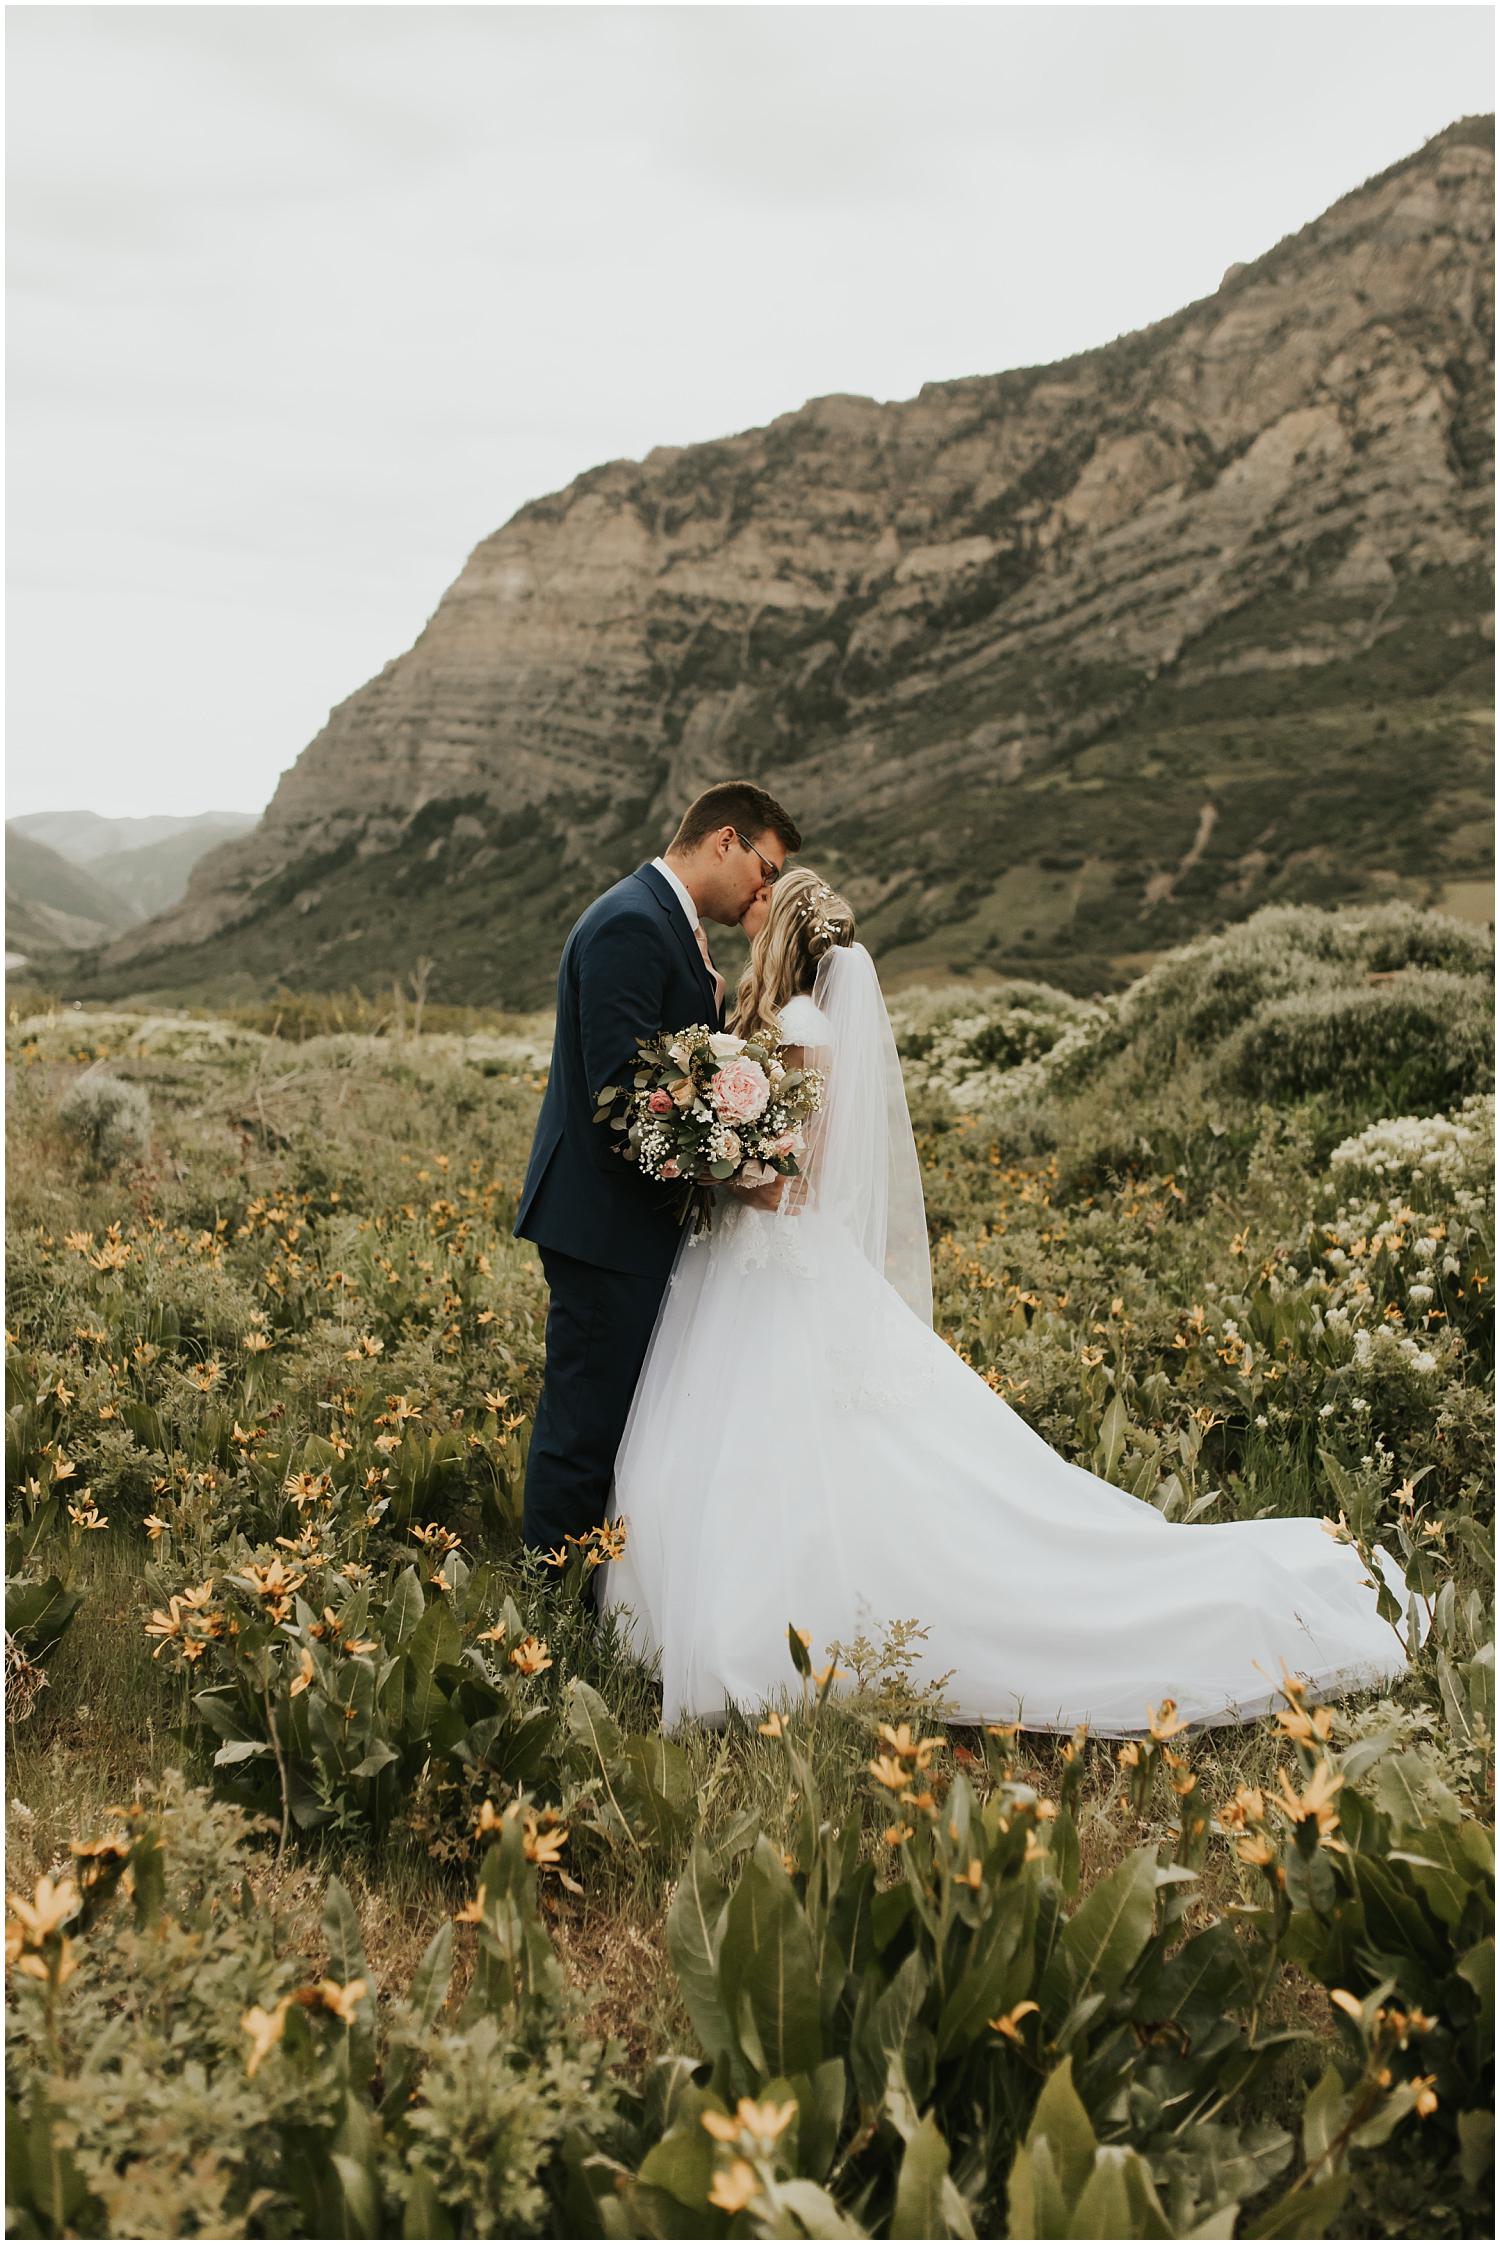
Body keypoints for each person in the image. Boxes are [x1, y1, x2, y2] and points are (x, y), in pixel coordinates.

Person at [600, 868, 1412, 1735]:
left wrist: (726, 1168)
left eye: (766, 900)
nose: (751, 907)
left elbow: (800, 1174)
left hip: (775, 1258)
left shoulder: (801, 1025)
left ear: (786, 928)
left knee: (785, 1447)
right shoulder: (778, 1018)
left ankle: (764, 1637)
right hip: (753, 1264)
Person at [515, 780, 801, 1556]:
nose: (764, 890)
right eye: (766, 869)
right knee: (583, 1429)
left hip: (632, 1226)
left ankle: (587, 1586)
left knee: (618, 1423)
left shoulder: (663, 922)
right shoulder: (631, 924)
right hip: (604, 1227)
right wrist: (734, 1166)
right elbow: (622, 1098)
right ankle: (547, 1599)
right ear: (726, 840)